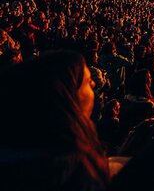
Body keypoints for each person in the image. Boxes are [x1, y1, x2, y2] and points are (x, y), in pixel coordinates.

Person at [0, 51, 109, 190]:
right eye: (87, 81)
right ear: (68, 95)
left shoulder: (16, 153)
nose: (93, 84)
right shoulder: (70, 170)